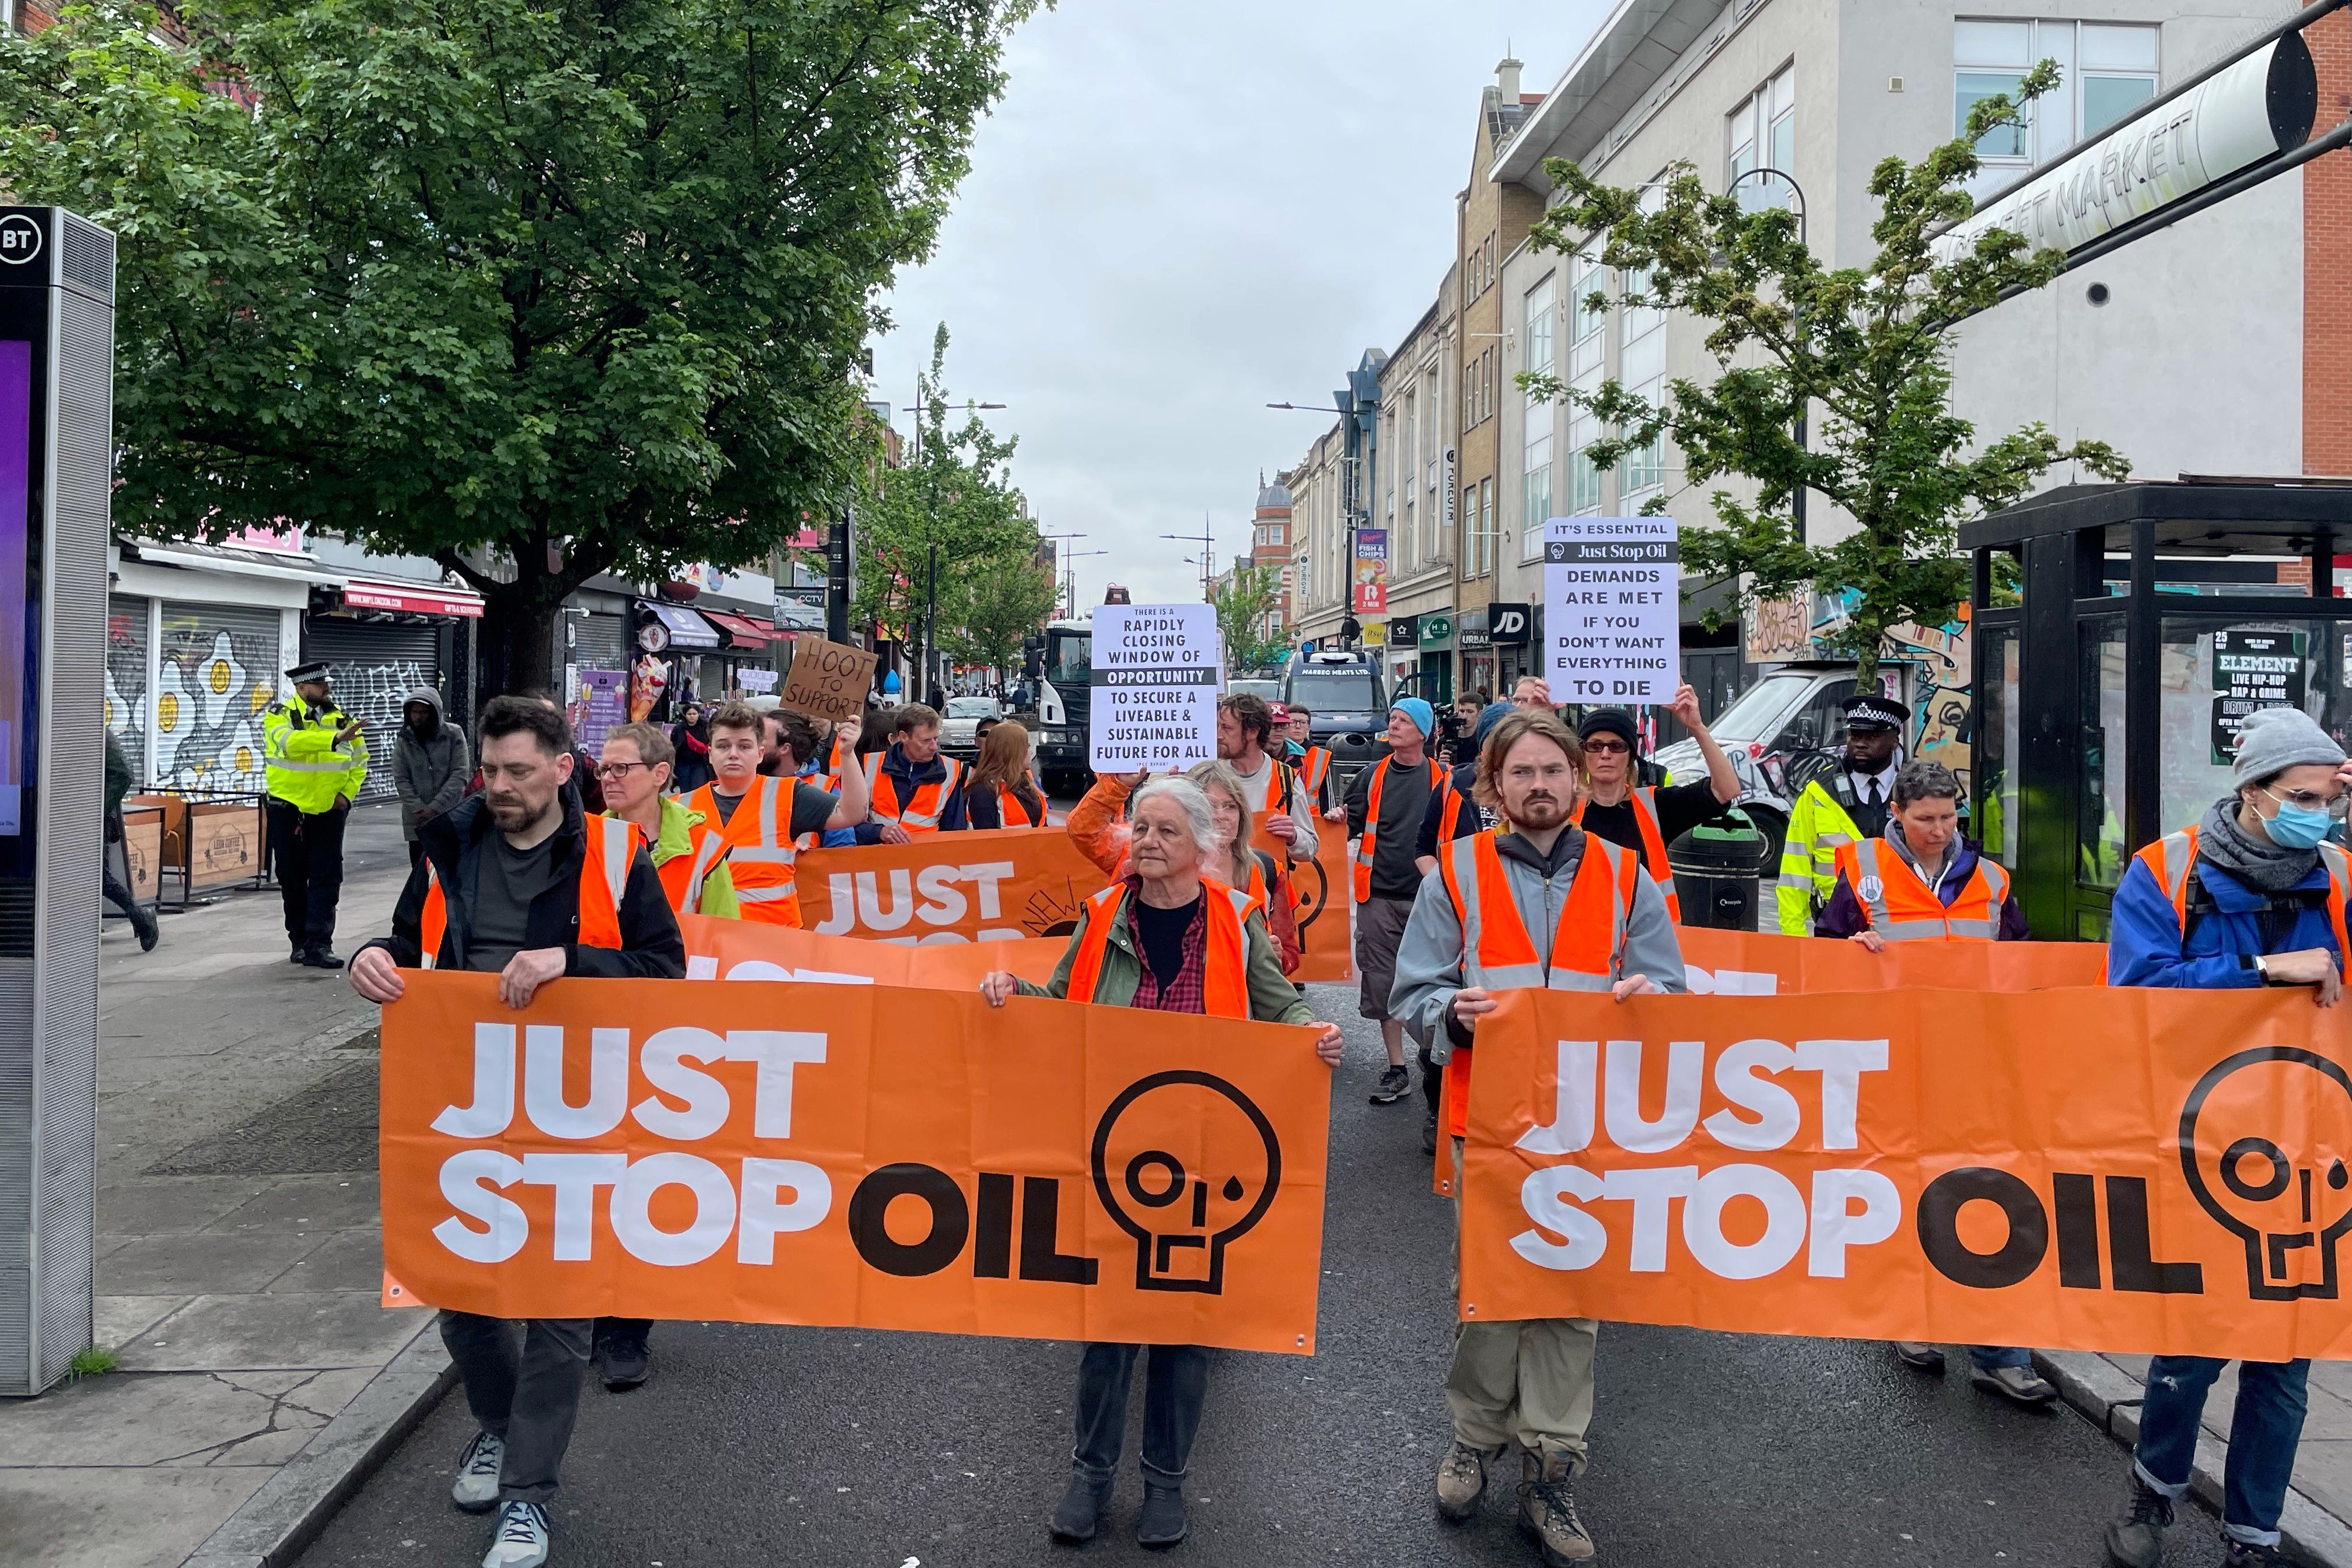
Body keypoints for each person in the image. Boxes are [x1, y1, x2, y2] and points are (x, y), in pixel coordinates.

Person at [346, 696, 685, 1568]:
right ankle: (497, 1432)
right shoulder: (448, 845)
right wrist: (369, 959)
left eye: (518, 772)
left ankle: (528, 1497)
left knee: (563, 1314)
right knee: (459, 1293)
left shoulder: (616, 855)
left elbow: (666, 969)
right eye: (490, 771)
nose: (499, 787)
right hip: (463, 1108)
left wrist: (569, 962)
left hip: (579, 1112)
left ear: (563, 771)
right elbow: (400, 941)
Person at [976, 776, 1342, 1549]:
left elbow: (1284, 1007)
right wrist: (1014, 991)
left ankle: (1166, 1485)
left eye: (1166, 831)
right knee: (1107, 1329)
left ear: (1204, 845)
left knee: (1182, 1329)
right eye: (1141, 828)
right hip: (1113, 1155)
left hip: (1205, 1156)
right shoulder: (1104, 912)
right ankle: (1090, 1477)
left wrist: (1316, 1034)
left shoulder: (1236, 920)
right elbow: (1062, 995)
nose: (1146, 842)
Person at [1390, 707, 1685, 1568]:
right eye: (1521, 773)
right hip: (1491, 1120)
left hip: (1596, 1122)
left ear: (1581, 780)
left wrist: (1649, 999)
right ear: (1495, 786)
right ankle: (1475, 1440)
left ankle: (1552, 1468)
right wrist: (1455, 1015)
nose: (1541, 786)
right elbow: (1414, 994)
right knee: (1491, 1286)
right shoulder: (1458, 873)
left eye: (1553, 772)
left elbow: (1670, 989)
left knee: (1574, 1292)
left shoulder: (1628, 876)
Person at [2102, 706, 2351, 1568]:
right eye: (2304, 795)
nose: (2321, 811)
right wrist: (2261, 972)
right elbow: (2137, 995)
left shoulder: (2342, 876)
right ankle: (2154, 1497)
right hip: (2200, 1147)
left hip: (2314, 1153)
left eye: (2331, 796)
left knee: (2283, 1366)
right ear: (2252, 792)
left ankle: (2253, 1537)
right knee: (2193, 1349)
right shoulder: (2166, 870)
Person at [1811, 761, 2045, 1402]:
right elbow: (1824, 954)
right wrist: (1852, 948)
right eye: (1925, 820)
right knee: (1908, 1185)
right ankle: (1912, 1317)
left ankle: (2000, 1349)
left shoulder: (1991, 879)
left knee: (1987, 1189)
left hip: (1975, 1059)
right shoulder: (1861, 870)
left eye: (1949, 818)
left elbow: (2019, 957)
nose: (1940, 831)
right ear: (1898, 813)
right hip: (1895, 1059)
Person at [681, 701, 868, 925]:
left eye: (744, 746)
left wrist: (847, 754)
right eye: (723, 746)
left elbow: (854, 813)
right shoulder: (681, 807)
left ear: (760, 754)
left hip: (775, 945)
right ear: (710, 754)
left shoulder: (788, 794)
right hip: (706, 943)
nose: (733, 754)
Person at [1346, 698, 1446, 1106]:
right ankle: (1397, 1068)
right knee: (1384, 982)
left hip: (1431, 901)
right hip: (1379, 896)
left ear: (1423, 733)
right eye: (1393, 718)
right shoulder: (1372, 775)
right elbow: (1349, 822)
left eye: (1405, 721)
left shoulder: (1445, 780)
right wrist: (1336, 820)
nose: (1395, 725)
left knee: (1432, 983)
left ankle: (1431, 1054)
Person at [1570, 688, 1740, 919]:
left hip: (1647, 939)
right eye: (1595, 745)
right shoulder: (1565, 810)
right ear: (1583, 752)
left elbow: (1726, 790)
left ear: (1631, 755)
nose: (1606, 754)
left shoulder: (1655, 806)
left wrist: (1697, 728)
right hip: (1583, 937)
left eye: (1617, 746)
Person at [263, 661, 369, 969]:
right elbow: (290, 745)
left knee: (327, 877)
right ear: (301, 688)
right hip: (288, 810)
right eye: (319, 684)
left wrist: (346, 796)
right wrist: (333, 740)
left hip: (328, 811)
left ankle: (319, 944)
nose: (327, 687)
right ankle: (298, 941)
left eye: (327, 682)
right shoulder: (279, 716)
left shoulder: (342, 720)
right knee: (292, 878)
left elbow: (361, 761)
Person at [1776, 692, 1908, 935]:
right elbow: (1795, 870)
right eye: (1854, 735)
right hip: (1836, 927)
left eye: (1872, 736)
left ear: (1894, 740)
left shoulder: (1917, 790)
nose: (1860, 743)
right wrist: (1794, 939)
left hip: (1904, 924)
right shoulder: (1819, 792)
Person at [598, 722, 739, 922]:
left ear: (660, 774)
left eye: (621, 768)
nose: (607, 778)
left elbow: (723, 935)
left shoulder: (702, 848)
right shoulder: (588, 841)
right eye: (604, 769)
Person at [1215, 693, 1318, 856]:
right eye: (1218, 727)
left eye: (1227, 728)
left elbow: (1310, 848)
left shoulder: (1286, 778)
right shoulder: (1210, 777)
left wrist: (1294, 836)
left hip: (1270, 880)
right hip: (1220, 880)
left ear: (1252, 732)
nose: (1219, 735)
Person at [864, 704, 970, 839]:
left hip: (927, 857)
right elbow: (850, 823)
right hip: (876, 856)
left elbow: (954, 833)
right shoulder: (870, 765)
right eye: (926, 740)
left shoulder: (951, 770)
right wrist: (879, 832)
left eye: (936, 738)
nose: (934, 746)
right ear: (904, 737)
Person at [393, 688, 471, 870]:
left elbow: (460, 773)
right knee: (420, 872)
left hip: (448, 815)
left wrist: (435, 808)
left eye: (423, 712)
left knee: (449, 872)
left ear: (435, 712)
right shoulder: (404, 739)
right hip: (417, 820)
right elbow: (401, 778)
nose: (418, 717)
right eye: (414, 712)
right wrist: (419, 808)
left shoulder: (453, 734)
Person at [102, 729, 159, 950]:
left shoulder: (100, 732)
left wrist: (97, 808)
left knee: (99, 877)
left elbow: (123, 775)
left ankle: (142, 916)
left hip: (89, 820)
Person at [968, 719, 1048, 830]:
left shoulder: (1026, 781)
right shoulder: (984, 792)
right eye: (1027, 747)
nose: (1030, 752)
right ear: (1012, 752)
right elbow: (987, 841)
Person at [1281, 702, 1340, 818]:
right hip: (1281, 817)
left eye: (1303, 723)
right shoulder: (1277, 752)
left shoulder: (1320, 756)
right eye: (1293, 722)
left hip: (1312, 820)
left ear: (1308, 727)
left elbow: (1328, 796)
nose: (1298, 727)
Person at [667, 701, 714, 793]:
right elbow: (673, 746)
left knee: (699, 789)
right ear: (685, 715)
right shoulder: (679, 729)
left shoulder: (705, 727)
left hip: (700, 764)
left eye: (694, 714)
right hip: (683, 765)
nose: (692, 716)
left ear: (698, 714)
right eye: (689, 714)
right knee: (685, 791)